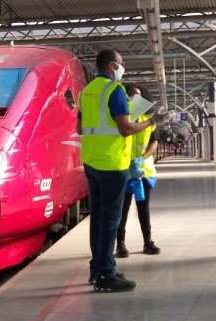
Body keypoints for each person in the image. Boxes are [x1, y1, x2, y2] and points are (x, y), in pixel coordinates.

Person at [77, 49, 155, 292]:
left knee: (98, 219)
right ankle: (106, 275)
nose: (123, 68)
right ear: (112, 65)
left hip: (91, 161)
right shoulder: (115, 91)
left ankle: (98, 268)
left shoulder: (85, 92)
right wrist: (151, 122)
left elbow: (80, 127)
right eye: (121, 64)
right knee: (111, 219)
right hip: (112, 164)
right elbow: (125, 128)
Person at [116, 84, 160, 258]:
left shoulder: (147, 118)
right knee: (122, 209)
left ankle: (148, 241)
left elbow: (153, 143)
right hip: (124, 170)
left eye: (138, 95)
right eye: (132, 95)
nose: (135, 98)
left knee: (144, 208)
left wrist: (142, 159)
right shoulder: (120, 118)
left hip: (143, 170)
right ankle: (120, 244)